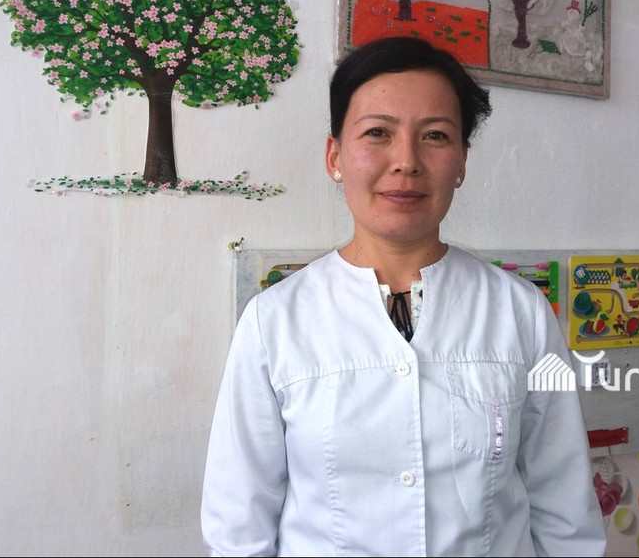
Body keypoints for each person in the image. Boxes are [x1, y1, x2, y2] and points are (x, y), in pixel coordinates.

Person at [201, 36, 606, 557]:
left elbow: (564, 504)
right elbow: (239, 526)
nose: (406, 161)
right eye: (378, 133)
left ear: (461, 162)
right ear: (335, 156)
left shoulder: (519, 309)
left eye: (435, 136)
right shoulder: (274, 320)